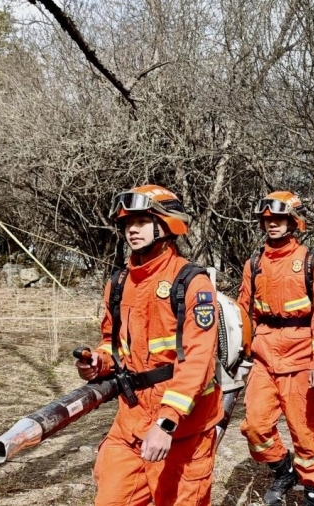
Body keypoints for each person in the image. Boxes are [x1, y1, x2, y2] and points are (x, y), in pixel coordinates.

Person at [76, 184, 222, 506]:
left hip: (183, 427)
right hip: (131, 421)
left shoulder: (191, 283)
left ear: (167, 224)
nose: (132, 230)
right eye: (128, 223)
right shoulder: (118, 283)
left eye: (142, 221)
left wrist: (166, 422)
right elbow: (113, 343)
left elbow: (198, 361)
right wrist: (98, 361)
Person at [237, 191, 314, 506]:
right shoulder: (253, 263)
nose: (273, 224)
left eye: (279, 218)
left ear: (293, 222)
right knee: (255, 427)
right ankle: (284, 469)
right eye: (267, 219)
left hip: (301, 358)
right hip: (264, 357)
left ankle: (312, 494)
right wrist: (239, 351)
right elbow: (244, 312)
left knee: (304, 434)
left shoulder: (312, 262)